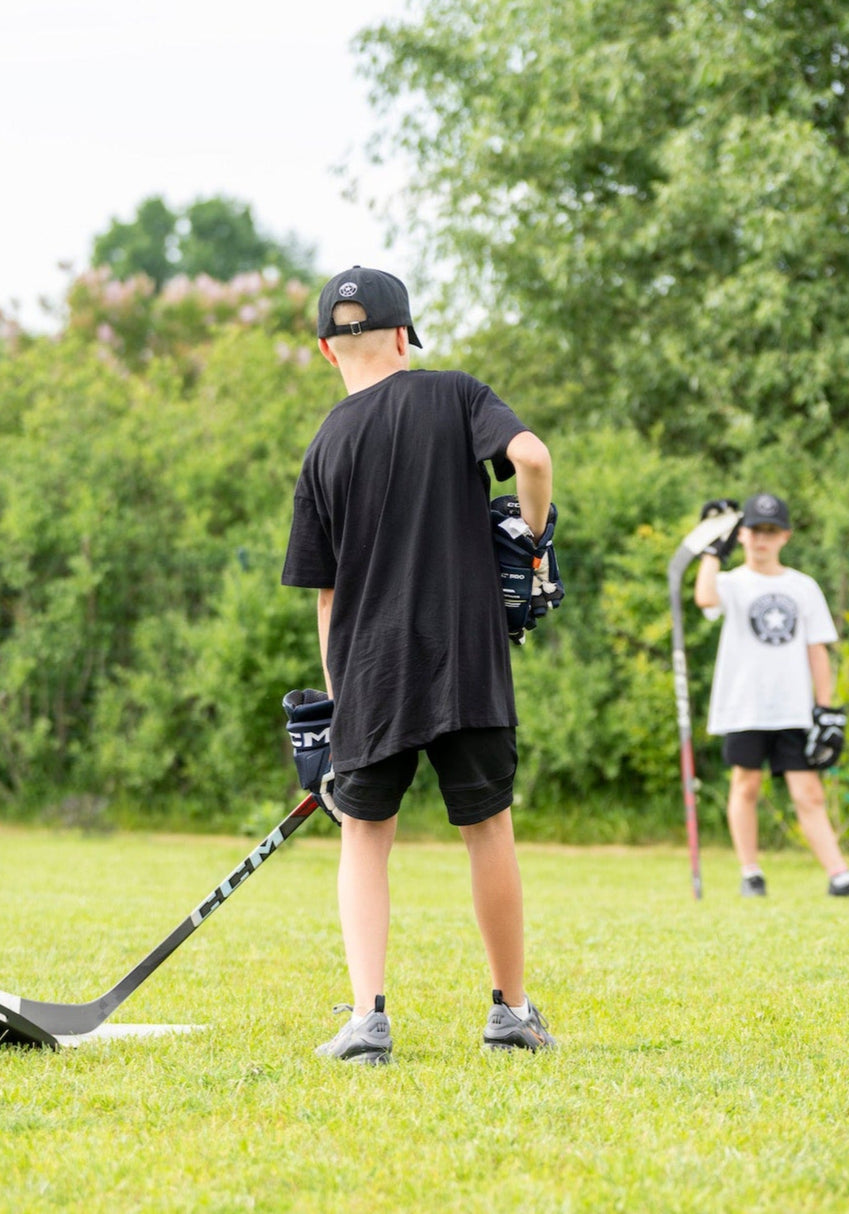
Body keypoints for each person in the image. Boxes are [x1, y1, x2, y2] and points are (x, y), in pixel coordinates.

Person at [282, 266, 557, 1063]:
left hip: (371, 671)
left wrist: (341, 708)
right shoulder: (457, 394)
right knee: (487, 826)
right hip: (467, 659)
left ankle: (369, 1020)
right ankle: (510, 1011)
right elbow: (532, 460)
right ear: (402, 337)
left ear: (330, 352)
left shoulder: (323, 448)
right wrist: (532, 547)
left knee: (365, 837)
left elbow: (326, 599)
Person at [693, 492, 849, 898]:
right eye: (755, 531)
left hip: (793, 708)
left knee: (808, 792)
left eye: (771, 532)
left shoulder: (803, 586)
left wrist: (827, 708)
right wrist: (712, 548)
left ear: (785, 536)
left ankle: (840, 877)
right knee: (746, 785)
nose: (762, 539)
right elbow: (704, 597)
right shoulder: (731, 582)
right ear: (742, 535)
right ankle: (751, 874)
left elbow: (818, 649)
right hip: (744, 704)